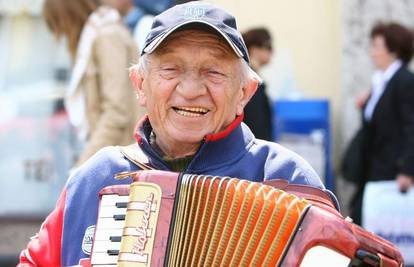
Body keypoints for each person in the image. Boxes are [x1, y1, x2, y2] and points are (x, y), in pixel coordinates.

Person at [19, 2, 337, 266]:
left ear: (245, 91)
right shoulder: (97, 177)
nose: (190, 90)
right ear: (140, 85)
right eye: (171, 70)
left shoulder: (288, 178)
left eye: (213, 72)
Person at [43, 0, 145, 166]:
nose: (63, 35)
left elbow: (117, 113)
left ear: (69, 17)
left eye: (61, 26)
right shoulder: (98, 35)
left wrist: (83, 167)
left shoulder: (107, 36)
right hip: (117, 156)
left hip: (122, 160)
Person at [349, 22, 414, 225]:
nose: (372, 53)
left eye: (377, 46)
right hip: (373, 167)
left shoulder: (404, 81)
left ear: (393, 50)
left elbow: (411, 127)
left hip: (391, 171)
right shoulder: (381, 82)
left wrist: (407, 170)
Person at [242, 27, 274, 141]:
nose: (272, 51)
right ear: (254, 49)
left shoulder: (248, 78)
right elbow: (256, 125)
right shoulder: (251, 83)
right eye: (268, 46)